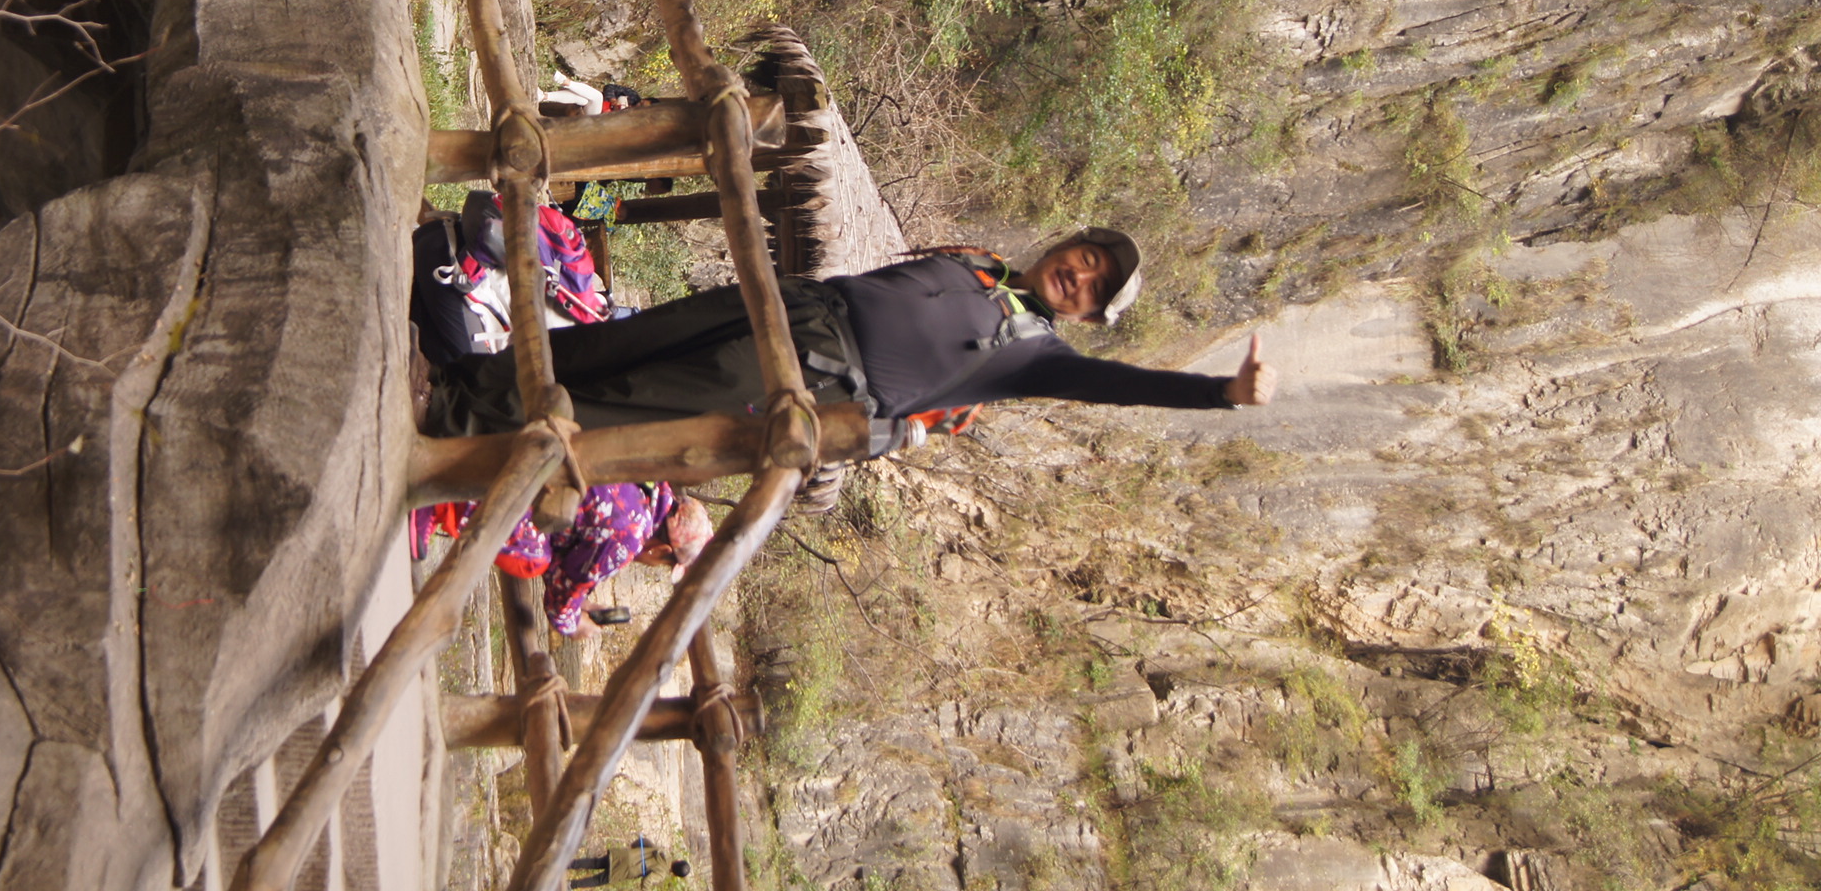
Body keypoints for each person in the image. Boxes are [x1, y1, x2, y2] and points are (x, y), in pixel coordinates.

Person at [420, 229, 1276, 451]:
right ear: (1068, 246)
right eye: (1085, 260)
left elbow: (1119, 387)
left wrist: (1216, 394)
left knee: (628, 401)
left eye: (1092, 288)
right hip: (788, 303)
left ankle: (456, 424)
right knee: (619, 345)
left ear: (1087, 316)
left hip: (808, 369)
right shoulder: (981, 266)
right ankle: (468, 381)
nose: (1078, 278)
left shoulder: (1038, 356)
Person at [411, 484, 712, 635]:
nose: (657, 566)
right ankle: (439, 503)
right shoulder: (631, 536)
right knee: (534, 560)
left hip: (536, 470)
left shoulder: (647, 486)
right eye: (665, 565)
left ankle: (448, 497)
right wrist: (574, 622)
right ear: (662, 551)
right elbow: (562, 598)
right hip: (521, 495)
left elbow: (572, 560)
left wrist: (582, 598)